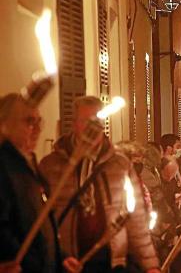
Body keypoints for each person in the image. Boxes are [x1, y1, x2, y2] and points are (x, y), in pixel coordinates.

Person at [39, 96, 160, 273]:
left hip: (111, 261)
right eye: (85, 121)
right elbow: (41, 219)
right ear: (74, 124)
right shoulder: (51, 165)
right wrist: (56, 255)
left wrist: (150, 265)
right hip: (68, 261)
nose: (91, 127)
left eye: (96, 120)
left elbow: (137, 220)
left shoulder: (120, 164)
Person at [0, 93, 78, 273]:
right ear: (4, 125)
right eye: (29, 122)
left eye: (39, 122)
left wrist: (61, 257)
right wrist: (28, 263)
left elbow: (43, 224)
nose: (37, 129)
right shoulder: (4, 167)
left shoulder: (31, 165)